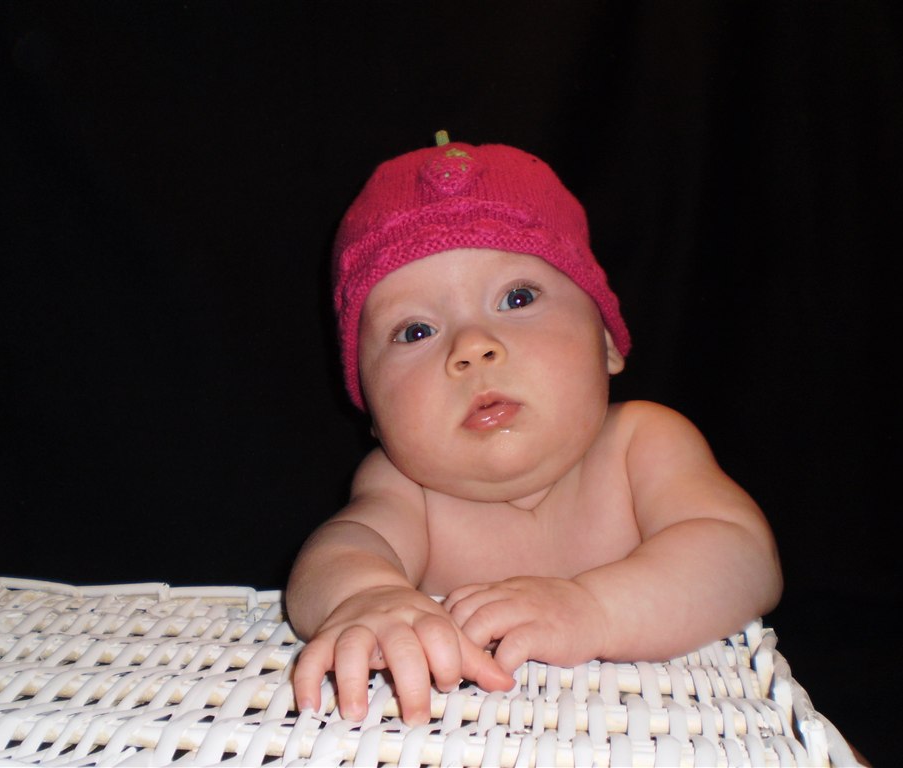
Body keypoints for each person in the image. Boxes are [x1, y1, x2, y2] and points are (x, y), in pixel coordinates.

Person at [287, 133, 782, 725]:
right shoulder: (405, 488)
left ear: (606, 341)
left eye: (517, 298)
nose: (473, 347)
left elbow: (742, 556)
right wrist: (367, 597)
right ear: (371, 410)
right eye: (415, 332)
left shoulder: (642, 443)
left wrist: (594, 609)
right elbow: (337, 554)